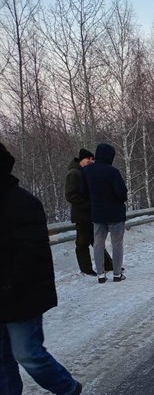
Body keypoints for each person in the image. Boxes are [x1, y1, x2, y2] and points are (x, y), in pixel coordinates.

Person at [0, 142, 82, 395]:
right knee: (1, 363)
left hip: (20, 295)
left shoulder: (21, 202)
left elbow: (33, 254)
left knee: (29, 354)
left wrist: (8, 284)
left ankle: (68, 389)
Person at [80, 143, 127, 284]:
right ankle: (117, 274)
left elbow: (83, 192)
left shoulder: (86, 171)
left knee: (98, 244)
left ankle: (100, 274)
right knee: (117, 244)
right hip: (115, 214)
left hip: (97, 214)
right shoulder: (112, 172)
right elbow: (122, 194)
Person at [65, 148, 114, 276]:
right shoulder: (74, 173)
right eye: (88, 159)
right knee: (82, 243)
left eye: (92, 159)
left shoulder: (85, 172)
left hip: (91, 214)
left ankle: (108, 265)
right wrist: (89, 203)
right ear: (81, 159)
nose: (91, 161)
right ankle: (86, 269)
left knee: (97, 241)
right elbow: (71, 196)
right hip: (81, 215)